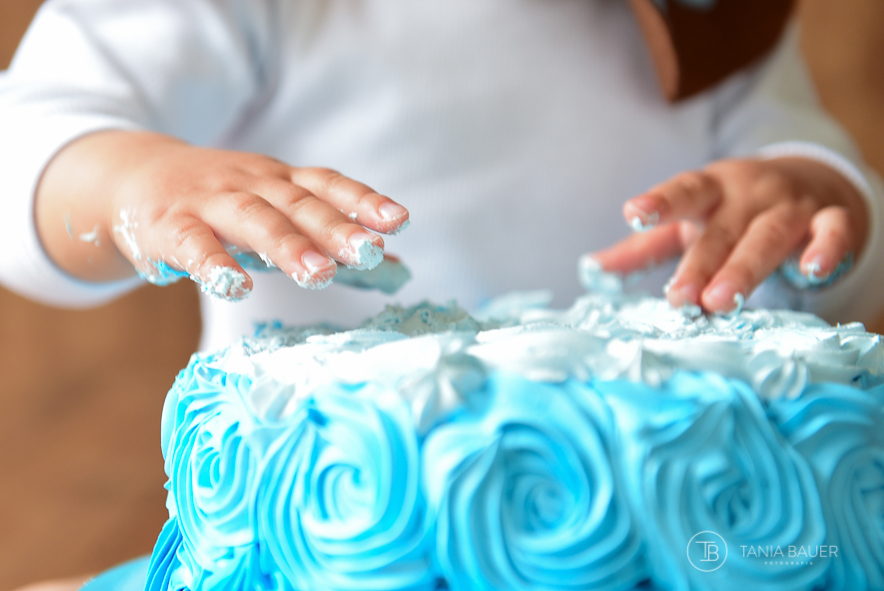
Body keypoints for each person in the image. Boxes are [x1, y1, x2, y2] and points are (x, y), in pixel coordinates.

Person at [1, 1, 883, 585]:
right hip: (330, 535)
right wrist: (131, 182)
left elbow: (831, 236)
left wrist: (811, 197)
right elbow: (31, 141)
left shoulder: (711, 14)